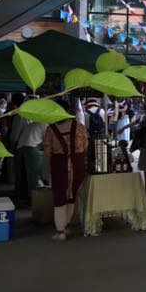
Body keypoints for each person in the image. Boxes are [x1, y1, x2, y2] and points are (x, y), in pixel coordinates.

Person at [42, 99, 87, 241]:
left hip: (59, 165)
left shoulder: (50, 130)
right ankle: (65, 225)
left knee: (60, 196)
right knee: (72, 195)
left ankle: (60, 230)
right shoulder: (79, 127)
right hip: (77, 164)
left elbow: (47, 151)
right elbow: (85, 145)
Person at [15, 115, 46, 208]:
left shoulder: (36, 122)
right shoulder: (46, 124)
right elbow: (46, 141)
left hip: (21, 148)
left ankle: (22, 196)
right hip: (31, 148)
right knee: (33, 175)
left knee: (23, 174)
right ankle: (33, 198)